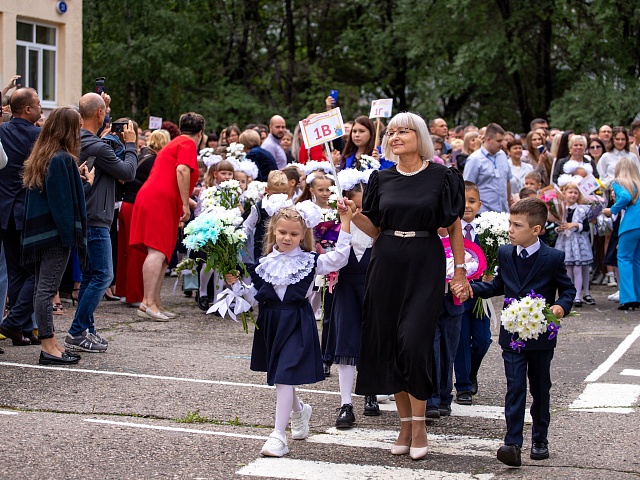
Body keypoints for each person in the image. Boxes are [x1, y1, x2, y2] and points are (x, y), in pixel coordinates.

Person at [345, 112, 469, 461]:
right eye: (393, 132)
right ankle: (405, 424)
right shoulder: (380, 178)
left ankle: (420, 427)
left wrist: (459, 272)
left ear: (420, 137)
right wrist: (354, 215)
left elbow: (454, 227)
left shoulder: (442, 177)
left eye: (404, 131)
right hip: (385, 264)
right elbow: (375, 230)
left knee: (414, 344)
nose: (395, 136)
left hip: (424, 261)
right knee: (389, 346)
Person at [460, 198, 575, 467]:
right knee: (515, 387)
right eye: (510, 223)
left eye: (517, 225)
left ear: (536, 230)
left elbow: (567, 289)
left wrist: (560, 306)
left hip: (540, 335)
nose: (510, 229)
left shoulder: (553, 258)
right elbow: (500, 284)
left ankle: (539, 438)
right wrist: (473, 288)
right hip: (512, 334)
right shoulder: (505, 253)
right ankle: (512, 443)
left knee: (540, 388)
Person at [245, 201, 353, 457]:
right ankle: (299, 410)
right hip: (271, 323)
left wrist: (345, 223)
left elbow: (340, 258)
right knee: (282, 376)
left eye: (294, 234)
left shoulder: (310, 261)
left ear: (303, 235)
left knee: (283, 376)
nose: (287, 238)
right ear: (273, 231)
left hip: (296, 322)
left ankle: (278, 436)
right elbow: (252, 296)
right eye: (282, 232)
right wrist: (235, 285)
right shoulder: (263, 263)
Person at [64, 93, 137, 353]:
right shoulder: (97, 145)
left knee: (90, 276)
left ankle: (87, 329)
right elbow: (128, 172)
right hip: (95, 218)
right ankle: (76, 331)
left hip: (88, 215)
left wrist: (103, 106)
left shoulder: (80, 139)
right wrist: (130, 144)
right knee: (104, 275)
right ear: (99, 114)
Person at [21, 106, 93, 365]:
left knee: (42, 289)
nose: (80, 131)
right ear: (68, 130)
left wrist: (81, 182)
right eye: (77, 126)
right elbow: (62, 203)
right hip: (54, 236)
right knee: (46, 290)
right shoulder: (61, 159)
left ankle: (51, 343)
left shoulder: (44, 155)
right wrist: (69, 239)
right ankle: (48, 346)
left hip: (42, 235)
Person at [130, 112, 204, 321]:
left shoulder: (175, 142)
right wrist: (185, 204)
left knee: (162, 253)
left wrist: (184, 202)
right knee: (157, 251)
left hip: (156, 198)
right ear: (200, 133)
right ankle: (148, 302)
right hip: (159, 201)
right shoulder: (188, 144)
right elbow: (182, 171)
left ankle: (154, 302)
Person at [323, 182, 377, 427]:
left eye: (364, 208)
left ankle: (371, 393)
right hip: (347, 289)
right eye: (355, 207)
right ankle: (346, 403)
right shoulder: (336, 232)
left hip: (373, 288)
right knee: (346, 343)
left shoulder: (378, 231)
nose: (359, 213)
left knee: (371, 341)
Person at [0, 87, 42, 346]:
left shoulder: (1, 132)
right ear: (27, 109)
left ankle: (22, 327)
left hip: (4, 211)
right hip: (28, 212)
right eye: (38, 104)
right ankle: (16, 322)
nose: (40, 108)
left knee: (16, 272)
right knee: (36, 271)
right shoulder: (39, 135)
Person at [117, 129, 170, 307]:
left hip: (126, 205)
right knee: (137, 253)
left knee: (124, 252)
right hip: (137, 207)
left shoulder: (140, 156)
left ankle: (125, 291)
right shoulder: (154, 161)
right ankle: (135, 295)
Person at [453, 182, 492, 407]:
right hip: (458, 293)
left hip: (480, 295)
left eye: (472, 201)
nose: (467, 206)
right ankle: (463, 386)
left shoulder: (488, 230)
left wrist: (491, 273)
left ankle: (472, 371)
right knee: (460, 339)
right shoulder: (451, 229)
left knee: (482, 340)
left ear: (480, 204)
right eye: (463, 201)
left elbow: (496, 258)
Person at [603, 158, 640, 310]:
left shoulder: (618, 182)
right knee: (637, 260)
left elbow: (625, 197)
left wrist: (612, 210)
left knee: (624, 258)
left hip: (630, 224)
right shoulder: (637, 183)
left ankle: (628, 298)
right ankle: (637, 296)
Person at [554, 181, 594, 307]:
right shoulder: (561, 209)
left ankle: (578, 295)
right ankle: (569, 294)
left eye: (575, 193)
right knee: (567, 269)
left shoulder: (582, 209)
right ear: (564, 193)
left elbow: (587, 227)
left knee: (578, 268)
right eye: (570, 192)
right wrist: (559, 228)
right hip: (565, 242)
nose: (573, 195)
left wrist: (575, 224)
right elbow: (555, 226)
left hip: (578, 242)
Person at [463, 123, 512, 213]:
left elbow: (507, 180)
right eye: (499, 141)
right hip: (483, 213)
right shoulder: (474, 159)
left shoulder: (502, 155)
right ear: (488, 139)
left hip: (503, 211)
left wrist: (509, 201)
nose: (502, 144)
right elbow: (467, 187)